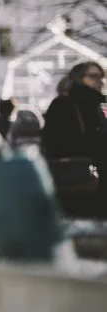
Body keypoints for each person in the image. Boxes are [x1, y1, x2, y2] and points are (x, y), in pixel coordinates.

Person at [43, 62, 107, 218]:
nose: (100, 81)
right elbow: (55, 143)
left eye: (102, 77)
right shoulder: (64, 104)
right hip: (78, 179)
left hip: (94, 178)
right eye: (93, 76)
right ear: (78, 78)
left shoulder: (96, 106)